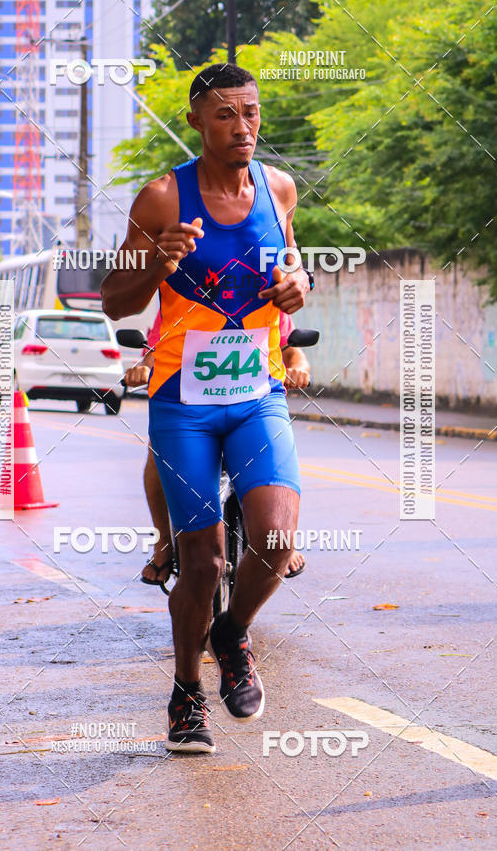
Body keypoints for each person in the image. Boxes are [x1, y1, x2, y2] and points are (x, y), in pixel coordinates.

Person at [102, 62, 312, 754]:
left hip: (258, 394)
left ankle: (231, 632)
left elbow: (292, 266)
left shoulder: (279, 189)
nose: (242, 126)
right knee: (202, 563)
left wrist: (298, 286)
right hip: (183, 403)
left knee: (276, 541)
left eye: (250, 112)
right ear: (196, 121)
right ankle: (187, 691)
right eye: (225, 114)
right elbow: (114, 302)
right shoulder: (162, 198)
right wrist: (155, 265)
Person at [124, 309, 311, 584]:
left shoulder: (264, 296)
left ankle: (279, 542)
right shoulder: (179, 299)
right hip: (189, 409)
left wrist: (300, 371)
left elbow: (293, 352)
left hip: (251, 408)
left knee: (278, 449)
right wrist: (143, 369)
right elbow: (154, 354)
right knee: (157, 451)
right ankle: (163, 542)